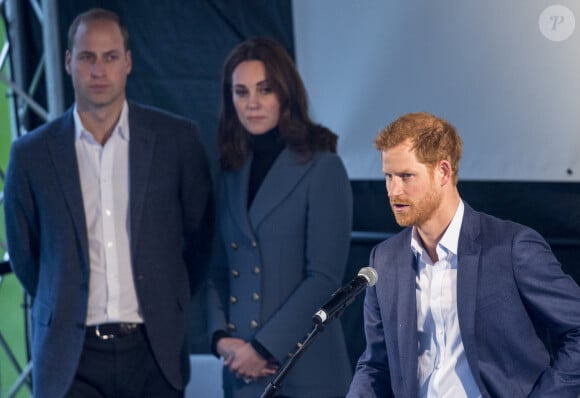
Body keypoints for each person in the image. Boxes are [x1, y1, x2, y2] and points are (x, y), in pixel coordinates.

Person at [3, 8, 213, 398]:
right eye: (87, 57)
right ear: (68, 62)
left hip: (154, 353)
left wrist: (169, 298)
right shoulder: (31, 155)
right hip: (70, 358)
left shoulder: (177, 141)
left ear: (128, 62)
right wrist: (64, 295)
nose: (98, 70)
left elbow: (199, 243)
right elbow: (27, 258)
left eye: (110, 57)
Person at [346, 112, 580, 398]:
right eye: (388, 176)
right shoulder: (384, 260)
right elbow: (375, 365)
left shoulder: (512, 247)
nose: (394, 191)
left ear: (443, 172)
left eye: (406, 176)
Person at [206, 37, 353, 398]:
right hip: (242, 373)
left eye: (264, 89)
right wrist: (221, 338)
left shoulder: (323, 166)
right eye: (241, 92)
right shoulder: (229, 171)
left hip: (307, 373)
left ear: (285, 93)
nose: (252, 103)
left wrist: (262, 348)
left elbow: (324, 278)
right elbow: (216, 270)